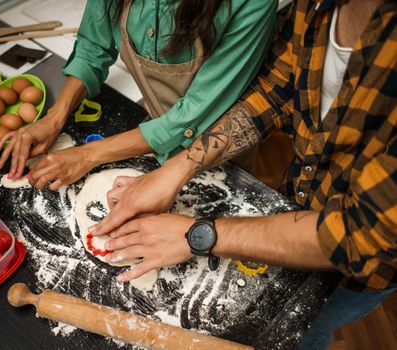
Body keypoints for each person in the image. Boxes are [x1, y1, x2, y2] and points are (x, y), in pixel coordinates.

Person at [91, 0, 397, 348]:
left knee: (299, 333)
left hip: (360, 273)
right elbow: (278, 87)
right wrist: (175, 170)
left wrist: (197, 235)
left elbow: (361, 232)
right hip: (298, 201)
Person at [0, 0, 278, 190]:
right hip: (148, 126)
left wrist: (87, 155)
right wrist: (55, 118)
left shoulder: (251, 3)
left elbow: (193, 116)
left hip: (217, 149)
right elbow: (95, 43)